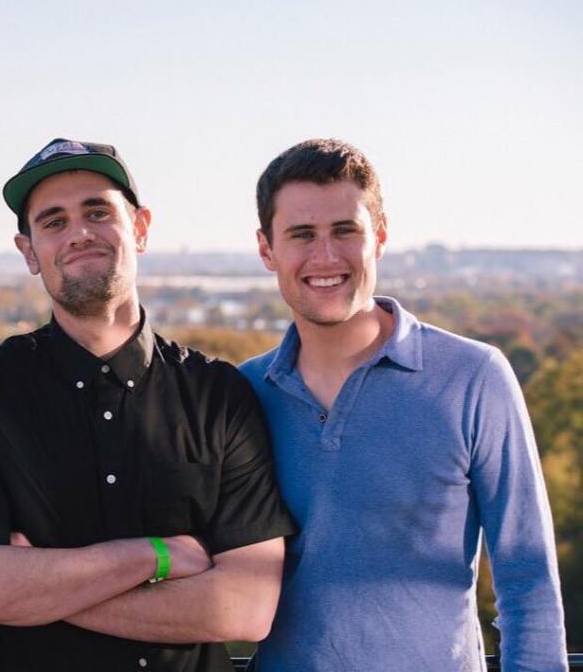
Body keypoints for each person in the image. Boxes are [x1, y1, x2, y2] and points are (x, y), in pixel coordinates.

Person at [0, 138, 297, 672]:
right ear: (28, 251)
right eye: (53, 221)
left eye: (98, 212)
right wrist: (157, 557)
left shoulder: (220, 397)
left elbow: (246, 607)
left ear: (139, 228)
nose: (79, 233)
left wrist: (37, 589)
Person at [239, 138, 568, 671]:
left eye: (345, 231)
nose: (326, 257)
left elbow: (527, 576)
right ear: (266, 249)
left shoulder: (473, 377)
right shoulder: (242, 393)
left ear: (381, 236)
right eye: (302, 235)